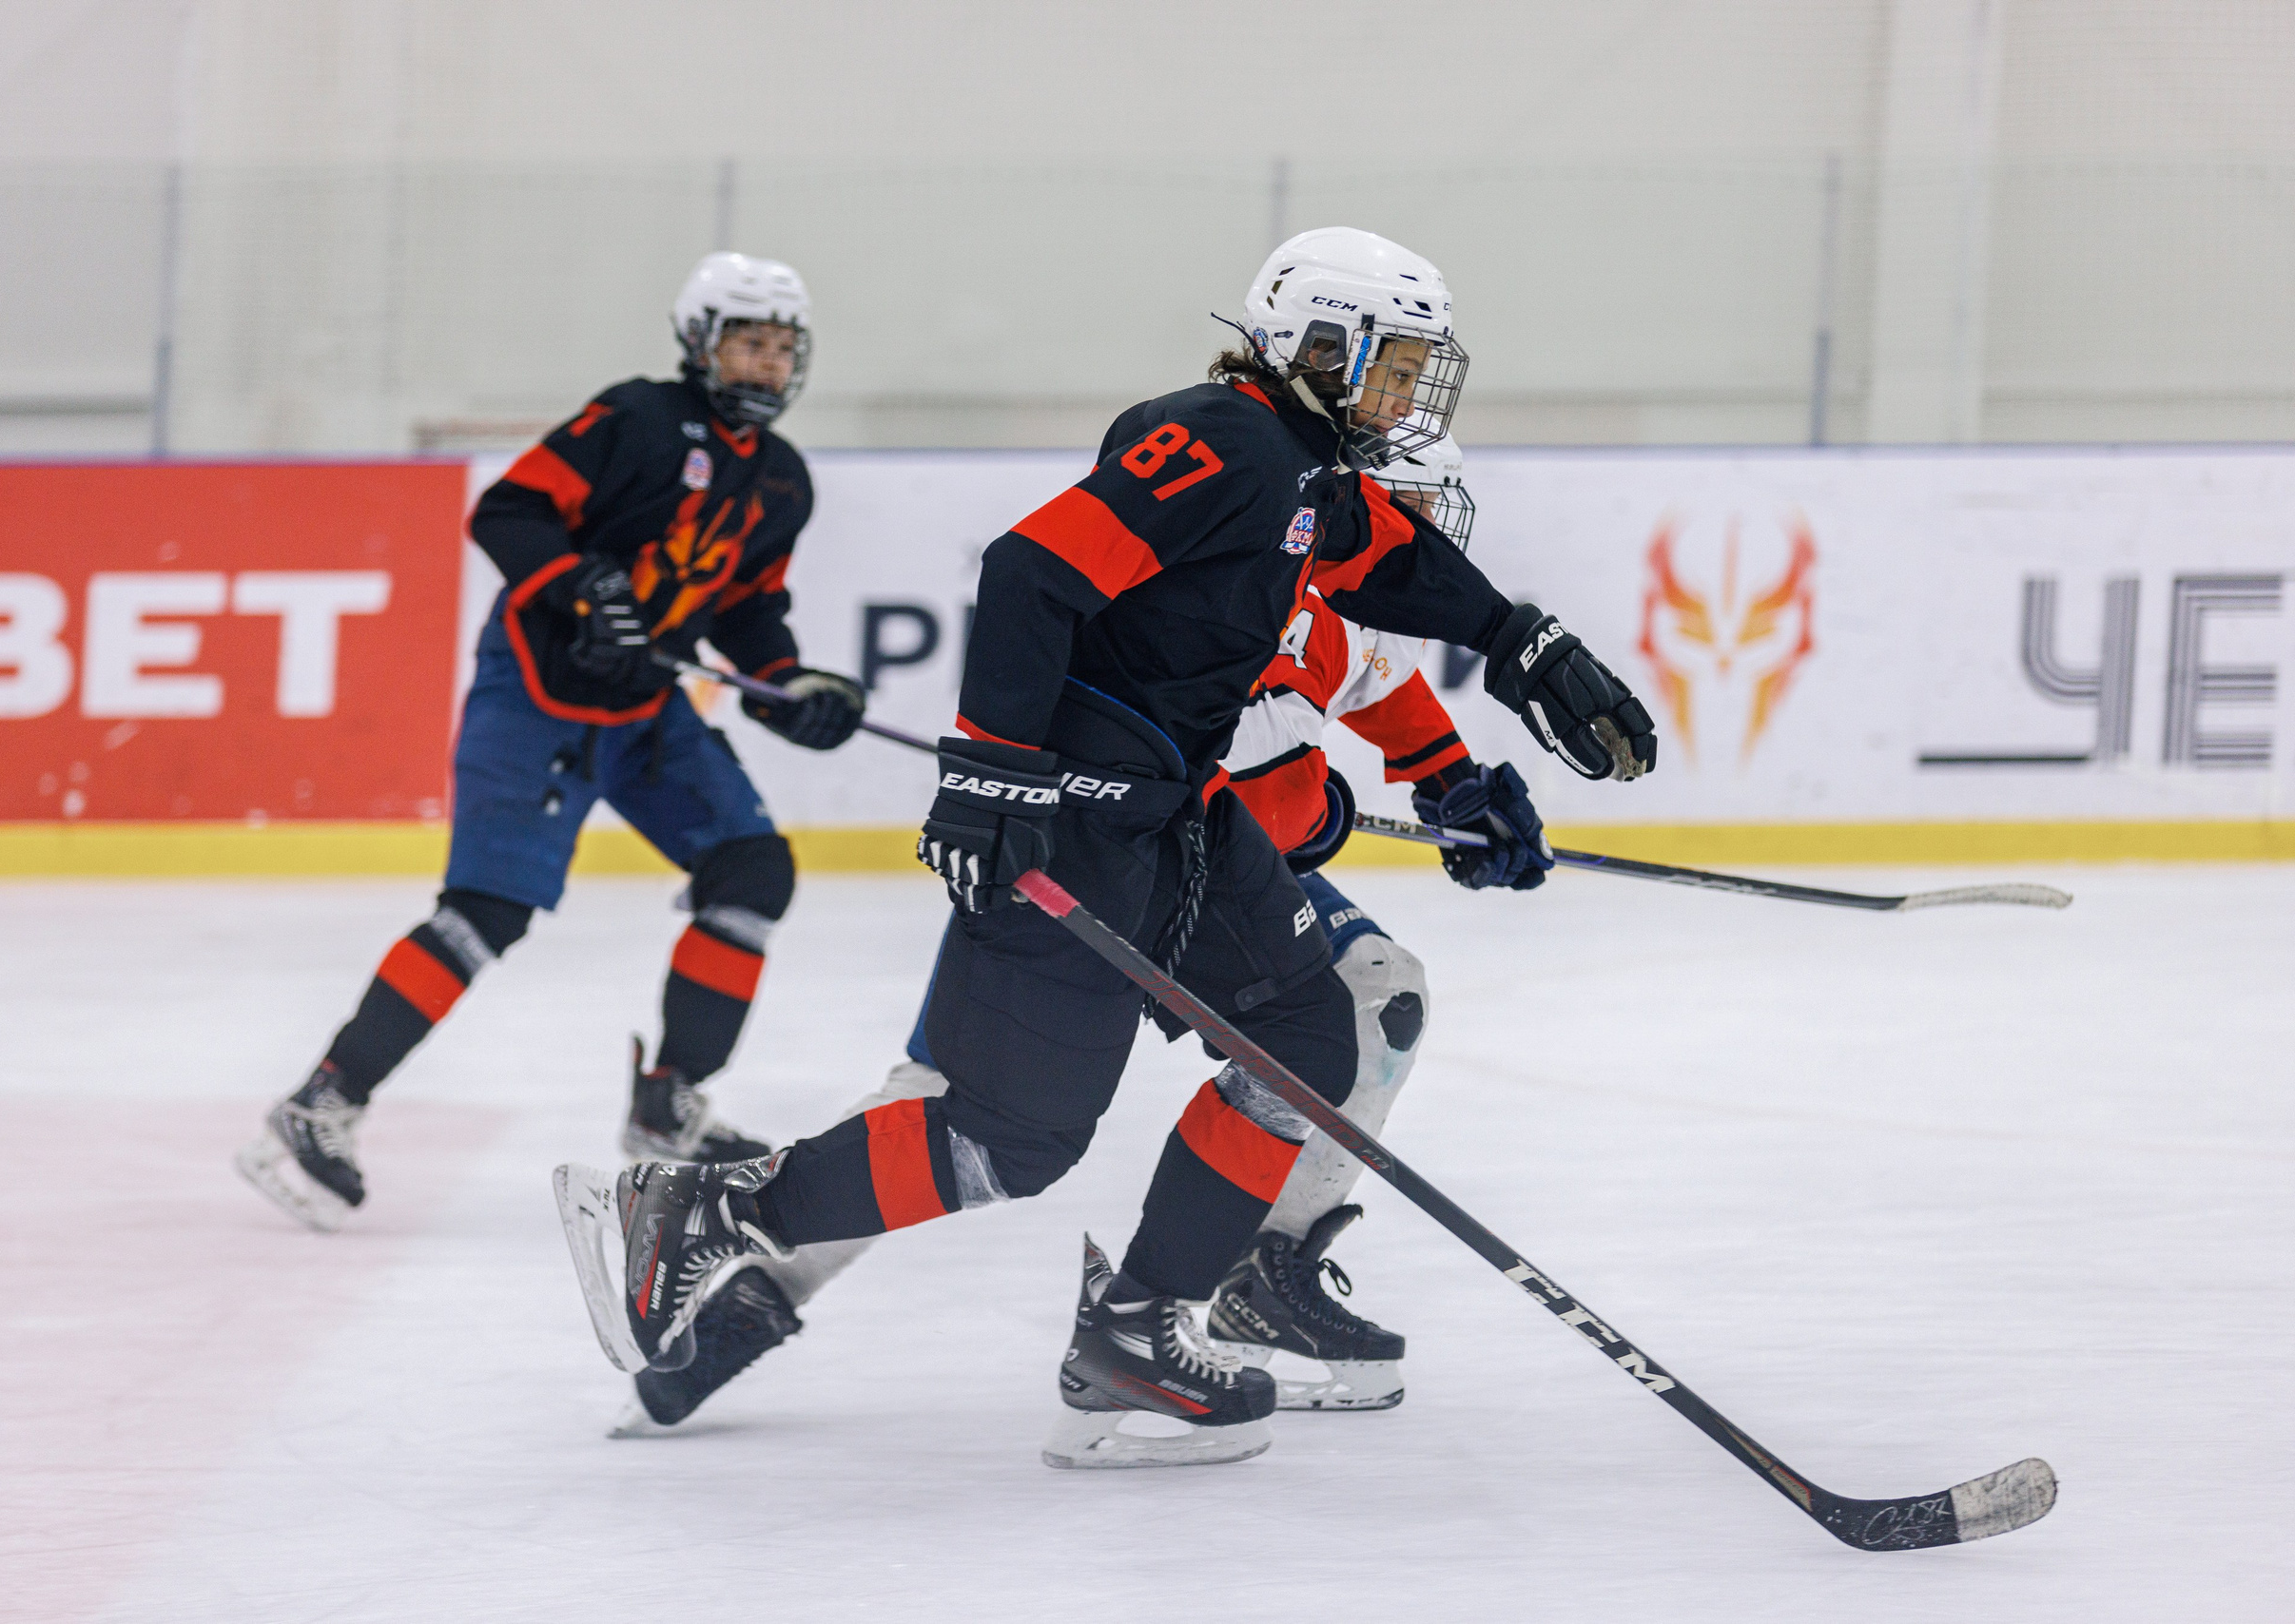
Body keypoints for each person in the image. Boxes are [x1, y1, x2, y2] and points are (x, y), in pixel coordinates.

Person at [555, 226, 1655, 1469]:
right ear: (1322, 343)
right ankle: (707, 1208)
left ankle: (1139, 1327)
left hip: (1173, 814)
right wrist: (987, 768)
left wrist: (1519, 640)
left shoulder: (1297, 470)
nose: (1406, 398)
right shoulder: (1228, 438)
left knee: (1315, 1032)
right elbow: (1030, 571)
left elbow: (1378, 557)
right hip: (1081, 811)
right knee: (1005, 1137)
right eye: (1395, 369)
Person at [609, 438, 1556, 1434]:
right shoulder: (1217, 584)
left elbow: (1388, 704)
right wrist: (1309, 813)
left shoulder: (1337, 619)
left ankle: (1264, 1264)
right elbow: (1212, 790)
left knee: (1371, 996)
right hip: (1084, 867)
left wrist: (1460, 796)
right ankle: (753, 1288)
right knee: (960, 1107)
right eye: (1396, 505)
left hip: (1200, 890)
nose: (1413, 535)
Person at [238, 252, 865, 1233]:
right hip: (534, 690)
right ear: (701, 344)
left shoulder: (781, 482)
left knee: (752, 868)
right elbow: (509, 510)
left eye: (783, 349)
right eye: (748, 343)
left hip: (646, 705)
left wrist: (791, 685)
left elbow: (747, 614)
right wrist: (588, 588)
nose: (767, 366)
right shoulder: (636, 418)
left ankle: (669, 1106)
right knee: (485, 911)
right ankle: (321, 1102)